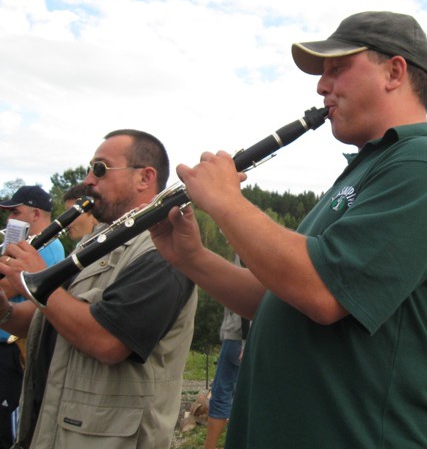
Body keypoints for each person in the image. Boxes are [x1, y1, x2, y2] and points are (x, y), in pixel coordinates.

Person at [151, 11, 427, 448]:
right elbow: (280, 299)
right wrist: (192, 257)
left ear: (394, 71)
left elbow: (322, 294)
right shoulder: (366, 172)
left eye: (337, 68)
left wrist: (228, 203)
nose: (321, 86)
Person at [0, 129, 197, 449]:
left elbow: (107, 341)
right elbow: (49, 318)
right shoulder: (96, 241)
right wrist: (5, 311)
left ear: (144, 178)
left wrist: (37, 278)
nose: (88, 180)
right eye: (90, 168)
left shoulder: (163, 249)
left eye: (101, 169)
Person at [0, 186, 65, 449]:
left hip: (12, 348)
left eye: (15, 212)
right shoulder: (24, 246)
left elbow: (9, 287)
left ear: (35, 213)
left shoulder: (46, 247)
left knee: (7, 429)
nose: (9, 219)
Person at [204, 256, 248, 449]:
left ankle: (210, 446)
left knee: (222, 391)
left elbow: (249, 294)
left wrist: (247, 343)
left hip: (237, 337)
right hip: (240, 336)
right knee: (242, 392)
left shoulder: (246, 250)